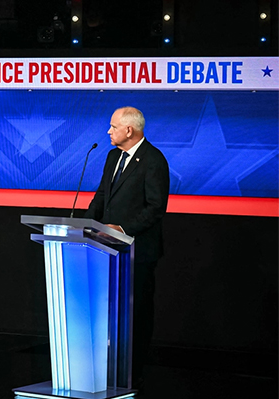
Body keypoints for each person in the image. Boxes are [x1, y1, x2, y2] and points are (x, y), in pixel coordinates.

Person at [84, 106, 170, 391]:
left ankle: (134, 373)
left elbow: (156, 207)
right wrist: (83, 225)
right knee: (108, 313)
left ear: (129, 130)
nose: (109, 131)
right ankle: (108, 370)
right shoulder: (112, 157)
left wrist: (124, 229)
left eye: (112, 126)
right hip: (107, 250)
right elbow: (101, 195)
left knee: (136, 314)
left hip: (138, 252)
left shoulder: (154, 160)